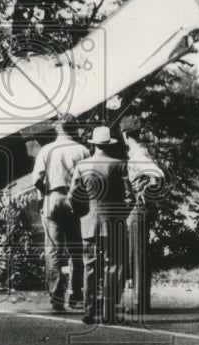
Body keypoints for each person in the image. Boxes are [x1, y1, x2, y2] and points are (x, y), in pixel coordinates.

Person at [70, 126, 133, 325]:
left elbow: (73, 196)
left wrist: (81, 212)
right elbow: (129, 196)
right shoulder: (119, 165)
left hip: (89, 221)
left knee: (90, 267)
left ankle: (88, 311)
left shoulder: (82, 166)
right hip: (114, 222)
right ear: (110, 144)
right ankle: (109, 312)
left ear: (93, 144)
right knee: (113, 266)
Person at [32, 114, 90, 312]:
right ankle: (76, 295)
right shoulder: (83, 150)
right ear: (74, 128)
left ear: (57, 128)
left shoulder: (46, 150)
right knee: (76, 250)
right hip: (74, 201)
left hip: (52, 198)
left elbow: (37, 179)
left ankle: (57, 299)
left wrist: (44, 193)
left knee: (54, 251)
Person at [118, 116, 164, 314]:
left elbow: (158, 175)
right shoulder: (138, 152)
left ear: (125, 134)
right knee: (137, 255)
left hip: (138, 207)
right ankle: (140, 300)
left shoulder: (138, 154)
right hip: (138, 208)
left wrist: (145, 194)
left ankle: (140, 303)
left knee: (138, 256)